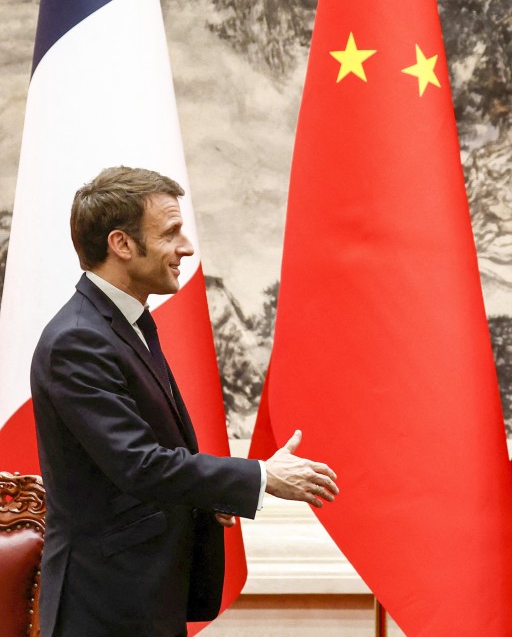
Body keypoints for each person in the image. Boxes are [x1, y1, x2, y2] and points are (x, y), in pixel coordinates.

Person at [30, 166, 340, 637]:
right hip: (103, 606)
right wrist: (260, 477)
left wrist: (210, 494)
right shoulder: (78, 340)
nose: (187, 248)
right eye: (171, 232)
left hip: (142, 595)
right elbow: (138, 465)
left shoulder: (121, 322)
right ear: (122, 244)